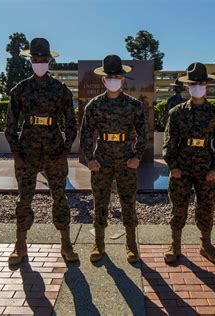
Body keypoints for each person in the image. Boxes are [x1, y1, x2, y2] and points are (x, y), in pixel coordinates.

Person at [5, 37, 78, 265]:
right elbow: (10, 126)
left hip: (55, 151)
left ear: (49, 61)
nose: (39, 63)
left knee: (60, 198)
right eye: (35, 60)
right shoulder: (20, 90)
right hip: (27, 152)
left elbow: (71, 124)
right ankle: (20, 244)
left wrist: (65, 151)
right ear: (30, 62)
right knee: (24, 200)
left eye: (43, 60)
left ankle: (66, 244)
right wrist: (17, 155)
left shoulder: (60, 90)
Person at [80, 54, 147, 263]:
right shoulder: (94, 105)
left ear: (123, 79)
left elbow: (143, 134)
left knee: (128, 202)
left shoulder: (134, 105)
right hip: (102, 160)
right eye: (109, 77)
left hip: (126, 159)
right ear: (103, 80)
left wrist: (137, 156)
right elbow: (85, 134)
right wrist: (89, 159)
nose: (113, 80)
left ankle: (131, 244)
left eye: (117, 77)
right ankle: (98, 244)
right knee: (100, 202)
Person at [162, 62, 215, 264]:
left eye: (201, 83)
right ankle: (175, 244)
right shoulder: (177, 112)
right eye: (193, 84)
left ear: (206, 86)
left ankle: (206, 245)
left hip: (205, 167)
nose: (197, 87)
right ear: (187, 86)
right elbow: (169, 142)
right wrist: (172, 165)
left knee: (206, 207)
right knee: (178, 208)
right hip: (181, 167)